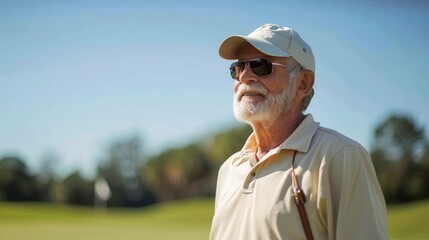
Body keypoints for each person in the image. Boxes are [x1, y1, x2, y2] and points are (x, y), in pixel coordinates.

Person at [210, 24, 389, 240]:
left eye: (261, 66)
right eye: (238, 68)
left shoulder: (340, 156)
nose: (245, 76)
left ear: (303, 83)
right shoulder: (229, 169)